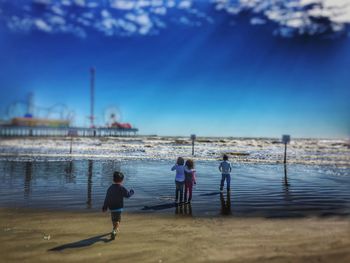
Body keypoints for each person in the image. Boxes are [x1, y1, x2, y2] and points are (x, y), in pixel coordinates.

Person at [102, 171, 134, 240]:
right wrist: (131, 192)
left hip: (112, 208)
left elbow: (107, 198)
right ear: (122, 180)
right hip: (119, 208)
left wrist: (105, 207)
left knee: (114, 219)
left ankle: (115, 229)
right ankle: (114, 231)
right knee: (118, 220)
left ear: (113, 179)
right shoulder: (121, 188)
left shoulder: (110, 188)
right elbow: (127, 195)